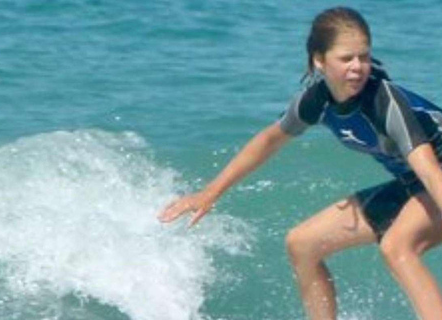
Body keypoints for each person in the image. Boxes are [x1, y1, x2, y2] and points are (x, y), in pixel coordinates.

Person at [158, 6, 442, 320]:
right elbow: (269, 140)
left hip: (434, 177)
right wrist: (210, 193)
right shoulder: (316, 102)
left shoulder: (383, 101)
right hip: (415, 183)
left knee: (397, 247)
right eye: (346, 58)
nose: (358, 67)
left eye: (363, 56)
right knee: (302, 244)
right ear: (319, 61)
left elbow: (429, 169)